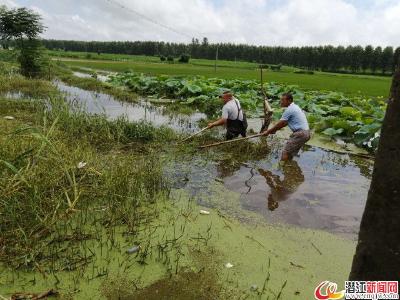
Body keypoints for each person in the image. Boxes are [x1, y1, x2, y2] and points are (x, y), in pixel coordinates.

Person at [261, 93, 310, 161]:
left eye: (283, 100)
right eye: (281, 100)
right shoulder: (295, 107)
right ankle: (289, 168)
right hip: (306, 134)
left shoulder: (290, 109)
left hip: (300, 134)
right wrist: (273, 130)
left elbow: (281, 123)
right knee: (290, 153)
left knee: (285, 152)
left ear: (289, 100)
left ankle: (282, 169)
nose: (281, 102)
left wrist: (268, 131)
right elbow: (285, 123)